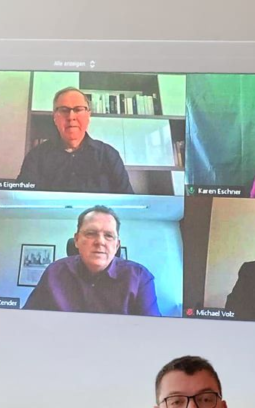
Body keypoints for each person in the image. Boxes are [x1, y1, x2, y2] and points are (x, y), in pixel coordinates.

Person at [24, 206, 159, 316]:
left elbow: (152, 332)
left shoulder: (140, 277)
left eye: (108, 236)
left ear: (117, 245)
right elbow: (28, 320)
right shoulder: (54, 272)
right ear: (76, 240)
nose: (100, 241)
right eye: (90, 234)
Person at [17, 88, 133, 193]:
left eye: (78, 109)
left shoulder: (108, 155)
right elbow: (22, 202)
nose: (71, 116)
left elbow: (129, 204)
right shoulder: (36, 157)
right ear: (55, 117)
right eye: (64, 110)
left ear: (88, 116)